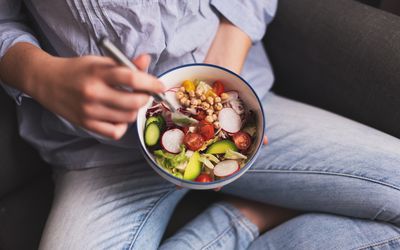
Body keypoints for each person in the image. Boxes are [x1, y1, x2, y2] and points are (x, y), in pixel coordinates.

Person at [1, 1, 400, 249]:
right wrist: (41, 75)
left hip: (236, 99)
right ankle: (243, 219)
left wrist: (223, 73)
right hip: (99, 153)